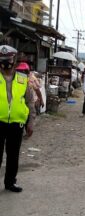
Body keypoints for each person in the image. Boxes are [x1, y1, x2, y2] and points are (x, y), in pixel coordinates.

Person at [0, 45, 36, 192]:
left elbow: (30, 101)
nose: (6, 62)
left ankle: (10, 182)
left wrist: (31, 122)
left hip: (17, 124)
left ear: (14, 60)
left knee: (13, 156)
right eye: (2, 59)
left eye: (8, 59)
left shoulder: (23, 79)